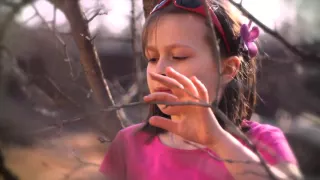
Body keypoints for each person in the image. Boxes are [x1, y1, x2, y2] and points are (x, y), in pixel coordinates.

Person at [100, 0, 301, 179]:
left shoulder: (263, 141)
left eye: (179, 56)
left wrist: (216, 139)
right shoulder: (129, 144)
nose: (158, 70)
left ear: (228, 68)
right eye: (152, 58)